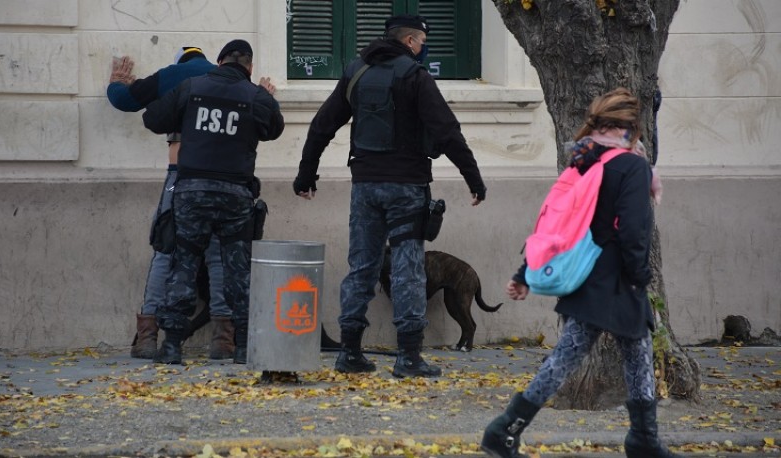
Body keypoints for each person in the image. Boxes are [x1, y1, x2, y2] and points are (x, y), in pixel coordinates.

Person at [480, 88, 680, 458]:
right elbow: (635, 230)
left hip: (587, 278)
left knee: (631, 354)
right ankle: (503, 429)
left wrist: (526, 272)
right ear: (632, 129)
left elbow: (556, 222)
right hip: (618, 279)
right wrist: (640, 276)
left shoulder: (583, 161)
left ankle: (644, 440)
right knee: (580, 358)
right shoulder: (632, 166)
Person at [293, 15, 487, 378]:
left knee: (362, 267)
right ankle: (409, 357)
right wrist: (473, 179)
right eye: (423, 41)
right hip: (407, 187)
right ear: (411, 42)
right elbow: (447, 131)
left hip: (365, 185)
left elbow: (322, 124)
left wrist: (306, 174)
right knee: (408, 268)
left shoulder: (357, 72)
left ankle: (349, 352)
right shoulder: (415, 76)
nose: (423, 48)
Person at [142, 39, 284, 365]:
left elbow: (152, 119)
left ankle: (172, 345)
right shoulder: (257, 96)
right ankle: (243, 346)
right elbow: (274, 129)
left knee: (184, 264)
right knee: (236, 269)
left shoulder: (192, 87)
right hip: (235, 194)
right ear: (249, 67)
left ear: (218, 62)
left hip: (192, 191)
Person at [107, 47, 237, 361]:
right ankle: (223, 341)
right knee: (218, 254)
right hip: (225, 178)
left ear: (181, 61)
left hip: (181, 175)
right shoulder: (235, 82)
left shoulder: (175, 76)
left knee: (165, 251)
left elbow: (125, 101)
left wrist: (117, 83)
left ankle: (148, 336)